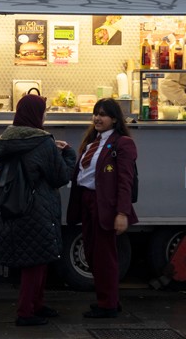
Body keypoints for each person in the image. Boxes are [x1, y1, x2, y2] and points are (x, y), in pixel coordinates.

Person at [0, 94, 77, 326]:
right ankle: (26, 312)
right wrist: (68, 153)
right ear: (36, 114)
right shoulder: (42, 142)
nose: (46, 115)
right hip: (36, 209)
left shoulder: (7, 139)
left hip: (14, 207)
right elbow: (61, 176)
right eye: (44, 111)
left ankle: (37, 305)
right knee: (36, 263)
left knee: (37, 259)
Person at [66, 98, 137, 318]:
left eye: (103, 114)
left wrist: (122, 212)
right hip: (87, 202)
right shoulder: (91, 141)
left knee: (105, 257)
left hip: (104, 204)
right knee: (92, 254)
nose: (97, 118)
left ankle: (108, 305)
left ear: (114, 119)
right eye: (95, 113)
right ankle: (107, 300)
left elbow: (125, 180)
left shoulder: (122, 143)